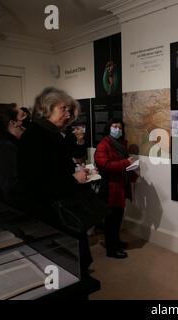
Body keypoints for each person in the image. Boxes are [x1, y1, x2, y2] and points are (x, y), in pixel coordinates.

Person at [17, 87, 93, 275]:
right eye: (63, 109)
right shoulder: (35, 137)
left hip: (60, 208)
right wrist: (73, 179)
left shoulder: (49, 134)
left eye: (69, 110)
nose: (67, 115)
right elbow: (35, 181)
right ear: (47, 109)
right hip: (51, 213)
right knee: (65, 264)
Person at [94, 119, 137, 259]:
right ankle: (111, 249)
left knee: (118, 218)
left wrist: (131, 170)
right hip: (110, 186)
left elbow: (120, 164)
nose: (117, 129)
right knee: (111, 220)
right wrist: (125, 163)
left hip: (119, 185)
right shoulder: (103, 145)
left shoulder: (120, 144)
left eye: (120, 127)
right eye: (114, 126)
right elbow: (105, 165)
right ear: (108, 128)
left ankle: (116, 242)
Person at [0, 103, 26, 205]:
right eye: (23, 117)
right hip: (13, 211)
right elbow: (11, 187)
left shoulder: (11, 143)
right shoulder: (2, 148)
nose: (26, 120)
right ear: (13, 123)